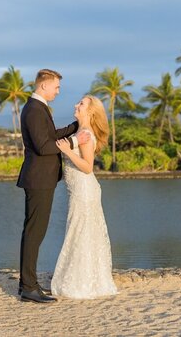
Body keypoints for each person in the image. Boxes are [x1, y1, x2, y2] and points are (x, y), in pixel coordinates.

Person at [16, 69, 89, 304]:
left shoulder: (39, 107)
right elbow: (44, 147)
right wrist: (76, 141)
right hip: (38, 179)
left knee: (35, 232)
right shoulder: (34, 110)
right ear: (44, 86)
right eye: (56, 87)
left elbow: (51, 136)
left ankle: (27, 284)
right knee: (34, 233)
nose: (58, 91)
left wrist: (74, 126)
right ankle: (29, 287)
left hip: (42, 179)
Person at [51, 95, 118, 299]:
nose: (76, 104)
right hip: (77, 189)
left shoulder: (86, 134)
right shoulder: (78, 131)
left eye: (81, 103)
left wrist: (67, 151)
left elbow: (88, 167)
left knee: (81, 231)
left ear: (90, 111)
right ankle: (84, 278)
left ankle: (83, 282)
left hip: (85, 189)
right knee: (80, 231)